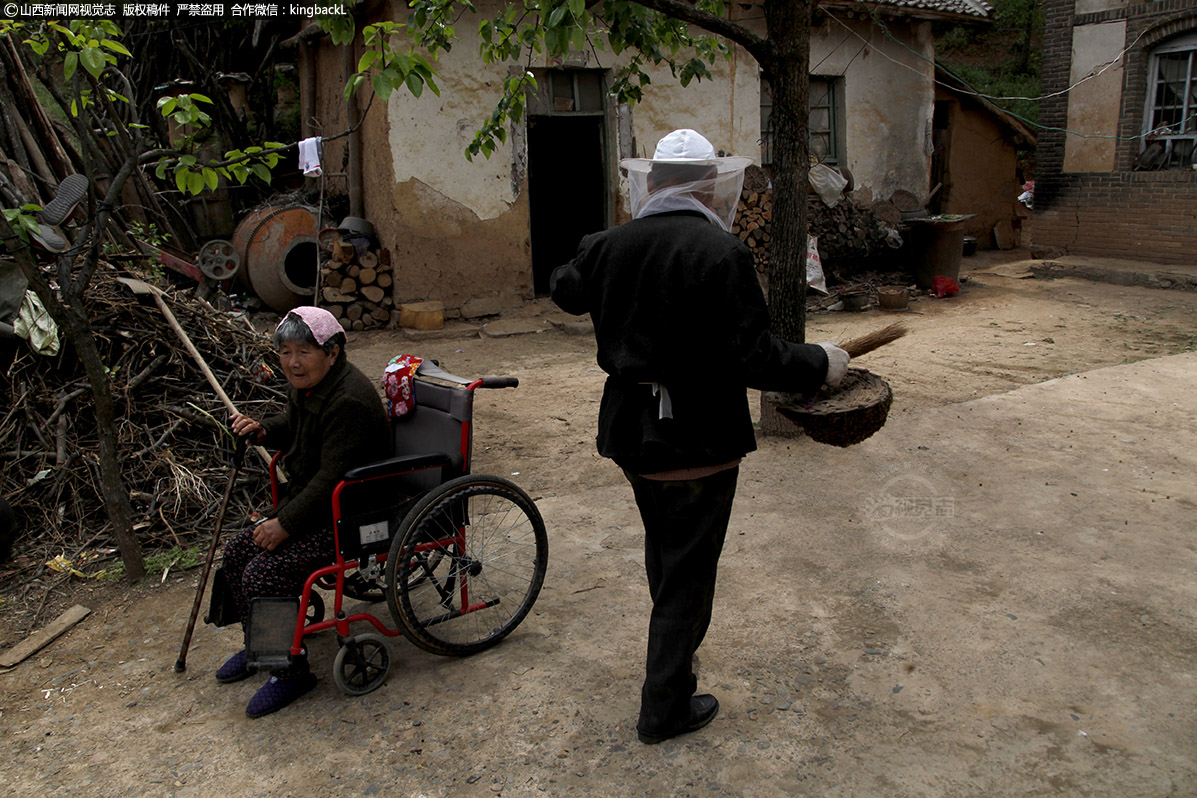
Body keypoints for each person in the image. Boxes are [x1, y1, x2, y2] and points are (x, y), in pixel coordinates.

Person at [550, 129, 850, 745]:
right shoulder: (722, 252)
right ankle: (664, 709)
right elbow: (757, 359)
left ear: (652, 183)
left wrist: (597, 252)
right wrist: (821, 361)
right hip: (698, 439)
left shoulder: (608, 245)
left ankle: (675, 673)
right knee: (688, 574)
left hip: (634, 435)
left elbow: (564, 289)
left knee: (667, 555)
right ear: (711, 186)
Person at [217, 305, 389, 718]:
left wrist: (284, 524)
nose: (293, 362)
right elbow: (294, 425)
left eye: (304, 352)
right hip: (317, 504)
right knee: (239, 552)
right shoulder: (311, 385)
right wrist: (263, 429)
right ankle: (262, 645)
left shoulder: (348, 400)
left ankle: (290, 672)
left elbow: (332, 478)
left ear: (331, 352)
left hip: (351, 514)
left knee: (265, 570)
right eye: (285, 351)